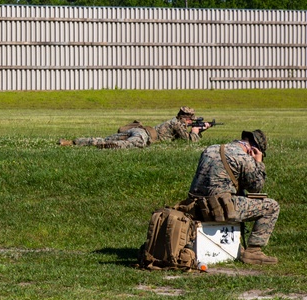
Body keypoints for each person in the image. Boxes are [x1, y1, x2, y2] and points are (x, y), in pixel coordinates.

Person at [185, 129, 279, 265]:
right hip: (220, 208)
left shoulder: (210, 149)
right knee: (272, 206)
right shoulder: (243, 157)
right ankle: (254, 252)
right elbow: (256, 187)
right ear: (253, 149)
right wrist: (258, 162)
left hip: (196, 207)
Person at [59, 107, 207, 149]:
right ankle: (109, 146)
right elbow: (188, 142)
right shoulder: (177, 124)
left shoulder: (173, 121)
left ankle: (72, 142)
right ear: (187, 119)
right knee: (125, 145)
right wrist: (196, 132)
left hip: (140, 130)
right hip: (144, 137)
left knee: (105, 138)